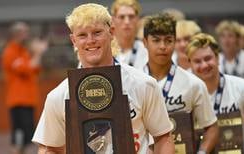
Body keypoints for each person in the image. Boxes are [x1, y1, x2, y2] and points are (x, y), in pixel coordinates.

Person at [32, 3, 174, 154]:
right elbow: (49, 148)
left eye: (97, 32)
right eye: (82, 35)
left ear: (111, 32)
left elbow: (163, 137)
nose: (90, 40)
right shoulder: (58, 96)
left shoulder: (144, 85)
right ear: (73, 40)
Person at [142, 13, 218, 154]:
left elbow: (211, 127)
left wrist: (202, 152)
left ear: (175, 42)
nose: (163, 46)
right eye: (156, 40)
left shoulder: (193, 84)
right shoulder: (135, 82)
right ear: (145, 42)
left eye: (168, 40)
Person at [186, 33, 244, 153]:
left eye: (208, 58)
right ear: (190, 64)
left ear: (218, 58)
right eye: (197, 61)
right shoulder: (183, 94)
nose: (204, 65)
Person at [2, 22, 48, 154]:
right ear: (17, 34)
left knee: (27, 139)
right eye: (25, 32)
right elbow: (27, 68)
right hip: (18, 101)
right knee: (18, 138)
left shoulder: (24, 52)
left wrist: (36, 53)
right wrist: (38, 53)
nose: (28, 35)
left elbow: (36, 69)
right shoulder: (10, 52)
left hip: (28, 100)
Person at [111, 0, 148, 68]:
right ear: (113, 20)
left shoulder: (146, 50)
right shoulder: (105, 49)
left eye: (131, 17)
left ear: (138, 20)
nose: (127, 22)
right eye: (122, 17)